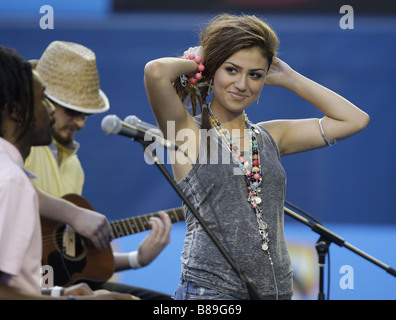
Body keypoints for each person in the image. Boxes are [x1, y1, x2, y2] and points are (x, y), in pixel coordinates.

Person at [143, 13, 370, 300]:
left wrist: (289, 77)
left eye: (255, 75)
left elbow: (354, 120)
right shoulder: (188, 133)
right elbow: (155, 72)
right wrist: (201, 59)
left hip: (278, 292)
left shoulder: (271, 136)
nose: (242, 84)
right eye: (231, 70)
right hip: (211, 294)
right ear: (213, 70)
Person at [25, 41, 172, 300]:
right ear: (43, 101)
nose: (80, 122)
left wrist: (137, 258)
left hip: (52, 286)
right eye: (72, 111)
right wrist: (74, 213)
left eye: (86, 114)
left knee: (163, 303)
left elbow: (70, 262)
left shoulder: (73, 166)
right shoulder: (20, 147)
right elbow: (12, 188)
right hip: (22, 284)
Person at [0, 45, 135, 300]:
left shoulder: (60, 167)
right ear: (18, 109)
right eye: (42, 99)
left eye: (86, 113)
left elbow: (59, 255)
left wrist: (60, 293)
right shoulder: (11, 178)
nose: (82, 122)